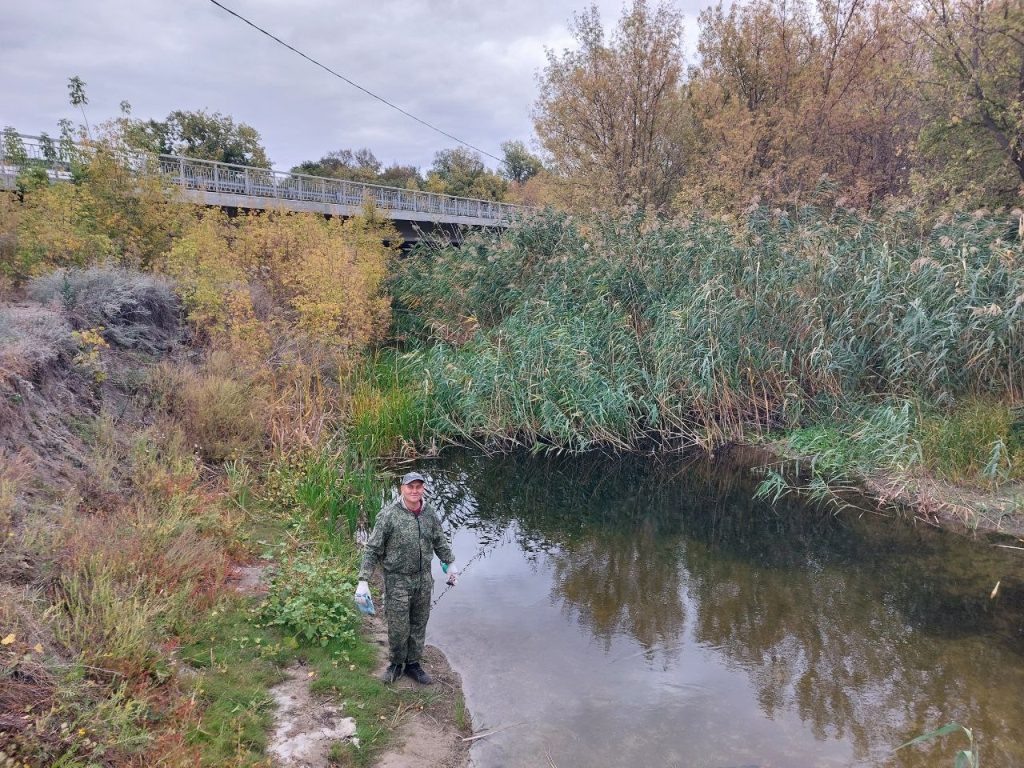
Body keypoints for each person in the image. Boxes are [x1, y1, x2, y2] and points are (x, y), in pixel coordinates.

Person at [355, 471, 458, 685]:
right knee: (399, 625)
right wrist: (363, 580)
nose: (414, 491)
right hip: (397, 580)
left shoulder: (429, 513)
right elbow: (372, 549)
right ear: (402, 489)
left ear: (423, 489)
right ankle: (395, 664)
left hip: (423, 579)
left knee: (419, 623)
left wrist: (450, 565)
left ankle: (413, 664)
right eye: (410, 487)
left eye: (418, 487)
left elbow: (439, 541)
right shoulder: (389, 515)